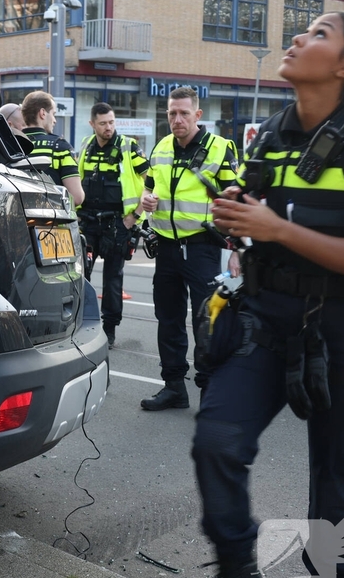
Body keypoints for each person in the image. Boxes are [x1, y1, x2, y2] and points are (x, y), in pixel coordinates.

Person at [191, 12, 344, 578]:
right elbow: (267, 227)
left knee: (335, 492)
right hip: (267, 319)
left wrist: (277, 227)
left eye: (316, 33)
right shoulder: (274, 134)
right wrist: (238, 219)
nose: (296, 38)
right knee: (217, 443)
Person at [139, 87, 238, 411]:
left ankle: (210, 391)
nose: (176, 119)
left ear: (197, 114)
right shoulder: (162, 147)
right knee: (167, 319)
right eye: (171, 113)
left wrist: (237, 249)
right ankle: (173, 387)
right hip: (166, 247)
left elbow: (234, 202)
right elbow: (149, 190)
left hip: (201, 249)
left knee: (207, 322)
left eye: (183, 113)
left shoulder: (220, 149)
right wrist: (146, 201)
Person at [75, 102, 150, 348]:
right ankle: (80, 323)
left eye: (112, 122)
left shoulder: (129, 147)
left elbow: (152, 182)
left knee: (112, 279)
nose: (109, 127)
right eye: (103, 123)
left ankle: (109, 330)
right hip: (87, 222)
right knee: (80, 275)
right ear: (92, 124)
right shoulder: (86, 145)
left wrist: (134, 217)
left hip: (117, 223)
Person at [21, 91, 85, 205]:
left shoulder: (10, 145)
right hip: (50, 220)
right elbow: (76, 197)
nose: (55, 120)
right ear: (43, 113)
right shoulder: (59, 147)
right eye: (53, 114)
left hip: (16, 220)